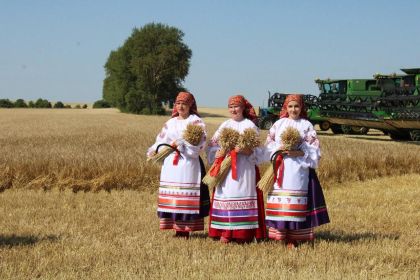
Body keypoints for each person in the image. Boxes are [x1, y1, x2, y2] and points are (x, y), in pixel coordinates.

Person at [265, 94, 330, 248]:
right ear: (285, 108)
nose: (293, 109)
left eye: (297, 106)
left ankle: (294, 237)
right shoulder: (278, 124)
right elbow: (269, 144)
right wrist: (279, 149)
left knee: (296, 200)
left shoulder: (306, 125)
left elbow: (314, 148)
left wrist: (298, 153)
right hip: (281, 167)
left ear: (301, 108)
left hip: (299, 168)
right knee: (281, 199)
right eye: (290, 106)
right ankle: (280, 234)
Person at [147, 92, 210, 238]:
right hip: (171, 164)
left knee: (186, 195)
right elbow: (161, 139)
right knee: (174, 195)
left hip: (188, 163)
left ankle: (185, 229)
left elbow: (201, 144)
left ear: (190, 106)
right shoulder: (170, 122)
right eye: (178, 103)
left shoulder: (196, 122)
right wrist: (154, 151)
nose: (181, 106)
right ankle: (176, 227)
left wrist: (183, 144)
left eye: (184, 104)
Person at [207, 95, 266, 243]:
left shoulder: (250, 126)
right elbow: (212, 145)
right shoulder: (225, 125)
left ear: (243, 108)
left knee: (242, 193)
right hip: (226, 170)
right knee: (226, 195)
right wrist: (218, 152)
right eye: (231, 106)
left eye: (236, 106)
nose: (233, 109)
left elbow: (258, 151)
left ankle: (242, 234)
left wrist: (245, 150)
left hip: (244, 168)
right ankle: (225, 232)